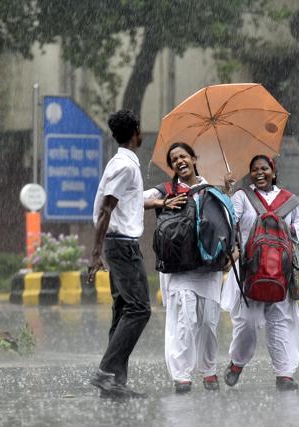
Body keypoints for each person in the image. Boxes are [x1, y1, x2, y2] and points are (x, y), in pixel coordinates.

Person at [221, 155, 299, 391]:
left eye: (264, 168)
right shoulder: (242, 196)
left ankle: (284, 374)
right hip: (250, 272)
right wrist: (228, 192)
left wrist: (289, 229)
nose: (259, 173)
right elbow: (230, 218)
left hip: (282, 273)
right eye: (254, 170)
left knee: (281, 322)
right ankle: (237, 363)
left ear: (273, 171)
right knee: (248, 324)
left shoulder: (290, 200)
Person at [143, 142, 226, 394]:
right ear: (172, 166)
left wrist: (227, 193)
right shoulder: (165, 190)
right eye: (174, 158)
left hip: (208, 267)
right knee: (185, 321)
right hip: (180, 268)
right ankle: (181, 375)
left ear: (193, 157)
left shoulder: (211, 189)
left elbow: (223, 224)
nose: (180, 160)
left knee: (208, 324)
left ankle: (209, 370)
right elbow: (133, 201)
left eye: (183, 156)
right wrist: (161, 204)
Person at [87, 109, 151, 398]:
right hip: (121, 244)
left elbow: (126, 204)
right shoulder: (125, 166)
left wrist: (160, 200)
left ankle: (115, 383)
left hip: (120, 242)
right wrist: (95, 253)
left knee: (125, 310)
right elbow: (107, 209)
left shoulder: (122, 164)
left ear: (114, 135)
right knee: (139, 309)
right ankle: (105, 372)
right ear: (136, 132)